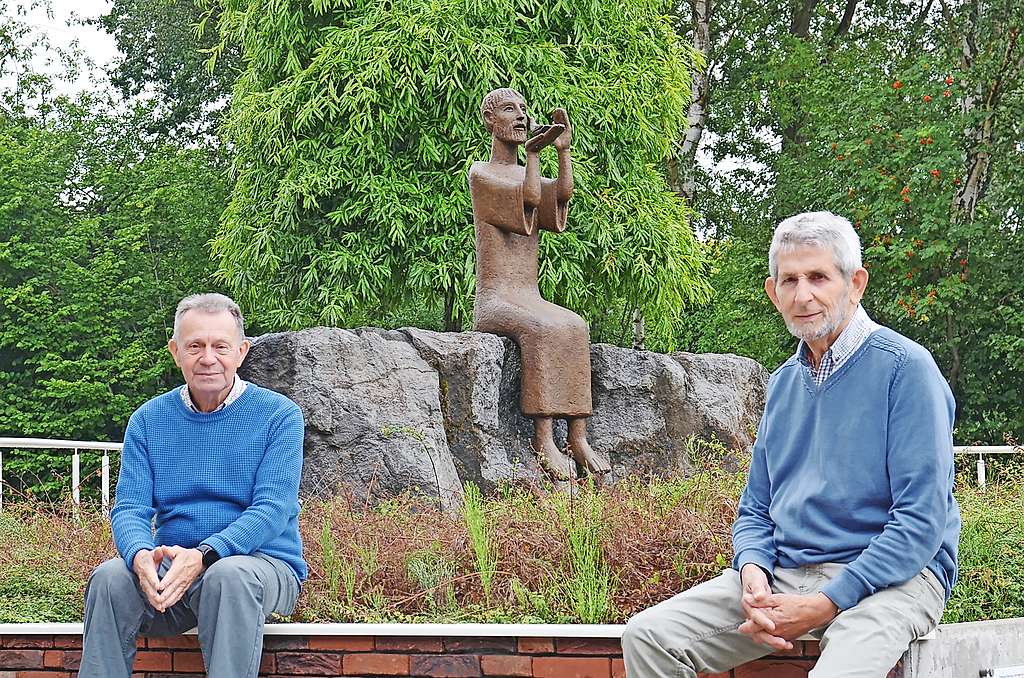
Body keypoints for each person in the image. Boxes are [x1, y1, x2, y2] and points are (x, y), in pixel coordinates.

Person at [622, 211, 960, 677]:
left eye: (818, 277)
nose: (803, 295)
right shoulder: (782, 383)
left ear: (855, 283)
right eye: (789, 280)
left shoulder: (906, 370)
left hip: (895, 578)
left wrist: (826, 602)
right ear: (772, 291)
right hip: (788, 573)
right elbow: (756, 510)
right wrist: (754, 575)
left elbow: (921, 522)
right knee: (648, 638)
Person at [79, 293, 306, 678]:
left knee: (227, 576)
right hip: (173, 572)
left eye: (220, 346)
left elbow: (273, 508)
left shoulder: (279, 416)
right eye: (195, 346)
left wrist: (205, 554)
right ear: (175, 351)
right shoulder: (148, 420)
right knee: (110, 578)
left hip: (262, 568)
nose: (208, 358)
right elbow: (130, 509)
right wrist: (139, 557)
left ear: (241, 351)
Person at [469, 87, 609, 480]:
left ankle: (578, 436)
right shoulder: (482, 175)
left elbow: (558, 198)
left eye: (523, 110)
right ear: (490, 120)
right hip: (498, 299)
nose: (519, 116)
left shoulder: (525, 172)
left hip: (529, 295)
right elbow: (529, 200)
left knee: (575, 325)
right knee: (544, 329)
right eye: (509, 110)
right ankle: (544, 439)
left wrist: (562, 152)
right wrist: (533, 155)